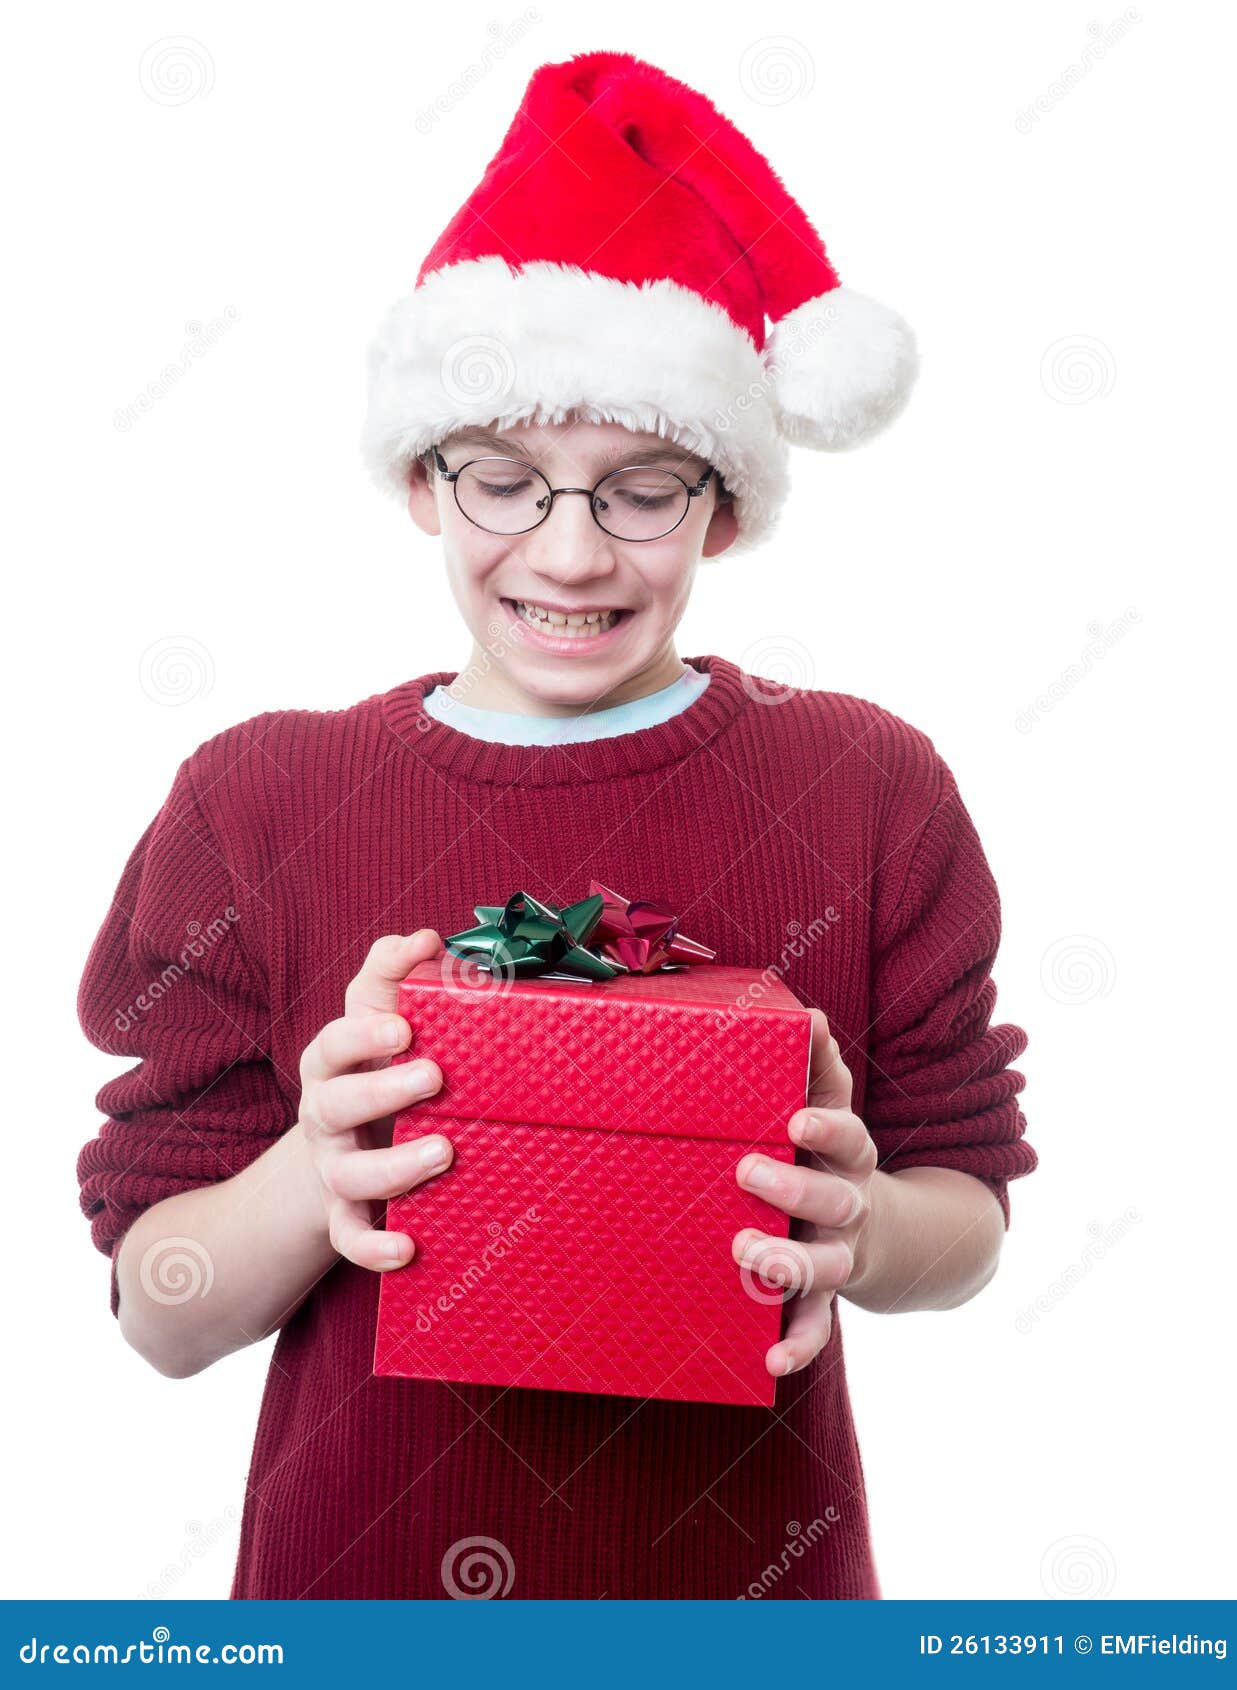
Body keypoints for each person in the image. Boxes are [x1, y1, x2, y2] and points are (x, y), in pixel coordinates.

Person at [76, 50, 1035, 1600]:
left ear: (724, 503)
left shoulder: (868, 783)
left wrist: (864, 1223)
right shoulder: (260, 796)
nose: (572, 554)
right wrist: (320, 1171)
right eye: (506, 481)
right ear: (420, 482)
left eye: (641, 488)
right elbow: (160, 1310)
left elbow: (968, 1211)